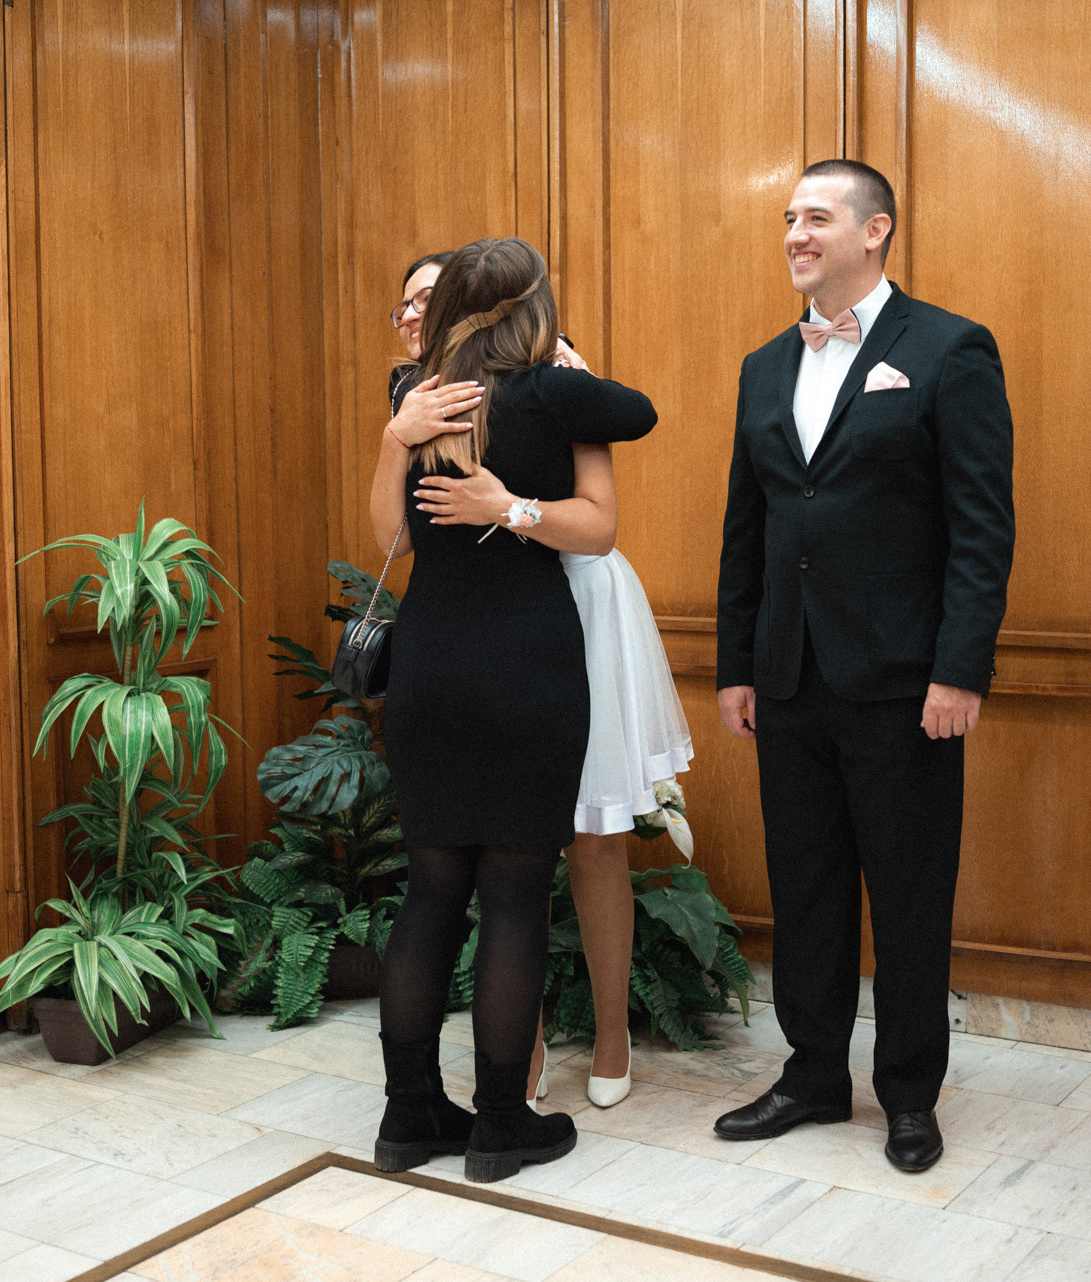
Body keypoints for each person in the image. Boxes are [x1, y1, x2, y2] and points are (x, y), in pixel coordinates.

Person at [712, 159, 1014, 1173]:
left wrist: (960, 669)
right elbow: (748, 527)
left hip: (904, 682)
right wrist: (737, 663)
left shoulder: (949, 349)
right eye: (788, 217)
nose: (795, 233)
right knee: (805, 890)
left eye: (817, 216)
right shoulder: (764, 365)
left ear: (875, 229)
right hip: (788, 676)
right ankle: (811, 1075)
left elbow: (982, 526)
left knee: (910, 895)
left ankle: (910, 1095)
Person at [367, 238, 657, 1184]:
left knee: (430, 892)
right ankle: (499, 1127)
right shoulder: (557, 394)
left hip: (429, 667)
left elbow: (392, 539)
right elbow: (633, 432)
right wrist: (519, 499)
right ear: (536, 306)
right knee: (515, 895)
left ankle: (408, 1119)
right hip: (527, 669)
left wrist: (399, 435)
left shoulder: (416, 395)